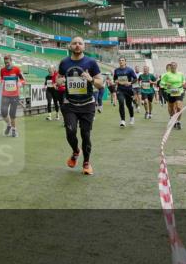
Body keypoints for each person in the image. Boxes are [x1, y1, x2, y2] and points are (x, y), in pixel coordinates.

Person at [58, 37, 101, 176]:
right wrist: (60, 81)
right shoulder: (64, 62)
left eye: (80, 43)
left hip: (87, 104)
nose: (77, 45)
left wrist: (91, 79)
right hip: (69, 104)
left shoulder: (91, 62)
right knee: (70, 132)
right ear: (70, 46)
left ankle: (86, 162)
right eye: (74, 43)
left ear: (84, 46)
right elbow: (58, 79)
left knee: (85, 134)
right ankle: (76, 151)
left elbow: (101, 83)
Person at [0, 55, 26, 137]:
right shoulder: (2, 70)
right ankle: (9, 125)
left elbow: (23, 79)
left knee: (12, 114)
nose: (6, 64)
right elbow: (1, 78)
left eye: (8, 62)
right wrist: (0, 81)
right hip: (5, 95)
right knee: (3, 113)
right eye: (5, 63)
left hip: (14, 95)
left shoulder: (17, 69)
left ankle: (14, 130)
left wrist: (20, 83)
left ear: (11, 61)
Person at [111, 56, 139, 127]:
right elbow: (115, 79)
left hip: (128, 90)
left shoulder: (130, 70)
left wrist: (130, 83)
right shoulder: (116, 70)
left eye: (122, 60)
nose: (121, 61)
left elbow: (135, 79)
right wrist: (116, 81)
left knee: (129, 105)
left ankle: (132, 117)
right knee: (121, 102)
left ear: (125, 62)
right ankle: (122, 120)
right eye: (120, 60)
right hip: (120, 89)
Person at [160, 62, 186, 130]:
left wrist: (184, 84)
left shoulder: (180, 74)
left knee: (179, 107)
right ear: (170, 67)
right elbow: (161, 84)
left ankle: (178, 121)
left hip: (179, 91)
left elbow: (184, 81)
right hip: (170, 92)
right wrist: (166, 85)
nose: (173, 67)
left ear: (176, 66)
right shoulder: (166, 75)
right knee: (171, 108)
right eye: (172, 66)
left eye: (174, 66)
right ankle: (172, 118)